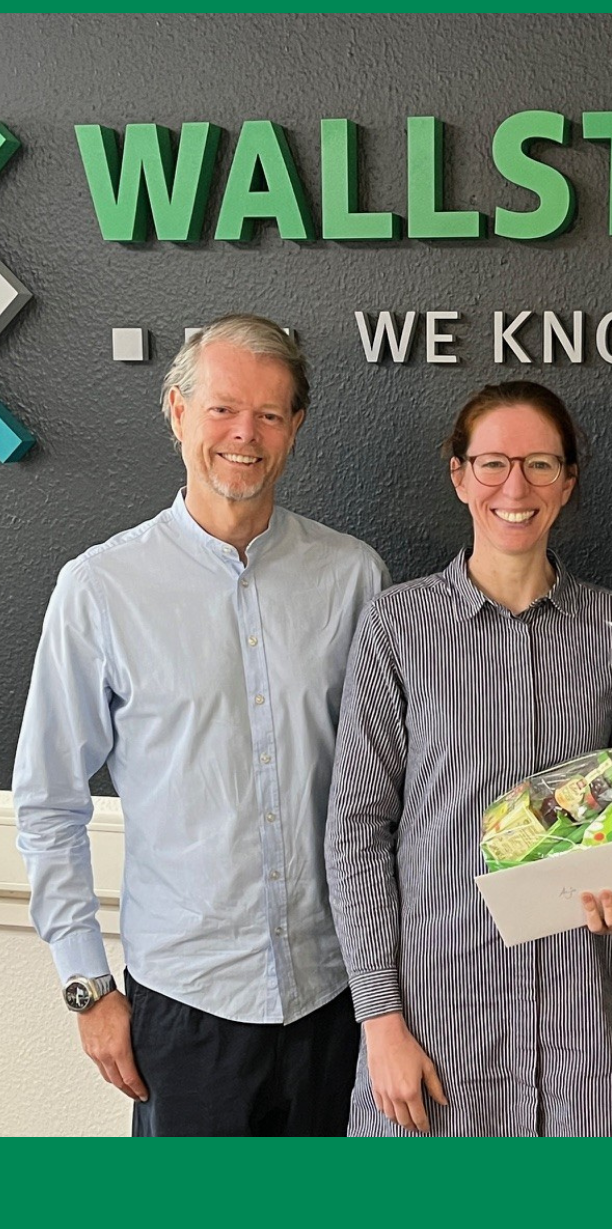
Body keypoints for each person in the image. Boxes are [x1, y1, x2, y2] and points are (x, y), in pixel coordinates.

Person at [13, 315, 388, 1136]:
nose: (244, 435)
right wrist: (88, 988)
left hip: (337, 1000)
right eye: (222, 409)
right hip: (185, 1010)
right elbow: (46, 805)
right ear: (177, 411)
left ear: (295, 427)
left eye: (269, 414)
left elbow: (388, 788)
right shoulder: (101, 590)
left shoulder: (353, 578)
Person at [325, 380, 612, 1137]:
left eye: (540, 465)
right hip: (437, 1025)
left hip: (585, 1026)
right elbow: (356, 831)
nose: (516, 488)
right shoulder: (397, 626)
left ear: (567, 483)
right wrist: (380, 1022)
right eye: (492, 464)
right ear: (459, 475)